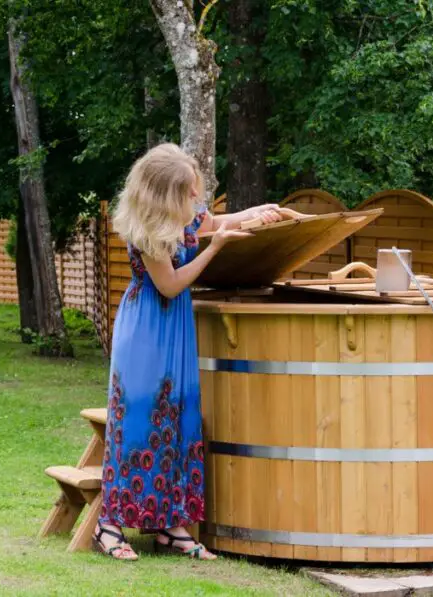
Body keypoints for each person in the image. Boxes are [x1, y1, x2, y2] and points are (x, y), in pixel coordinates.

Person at [93, 143, 283, 561]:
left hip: (174, 326)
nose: (195, 200)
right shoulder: (147, 232)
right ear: (165, 195)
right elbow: (170, 285)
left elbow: (215, 220)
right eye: (189, 193)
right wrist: (214, 249)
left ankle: (169, 524)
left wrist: (257, 212)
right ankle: (109, 524)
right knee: (140, 423)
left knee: (177, 418)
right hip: (147, 328)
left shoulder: (187, 214)